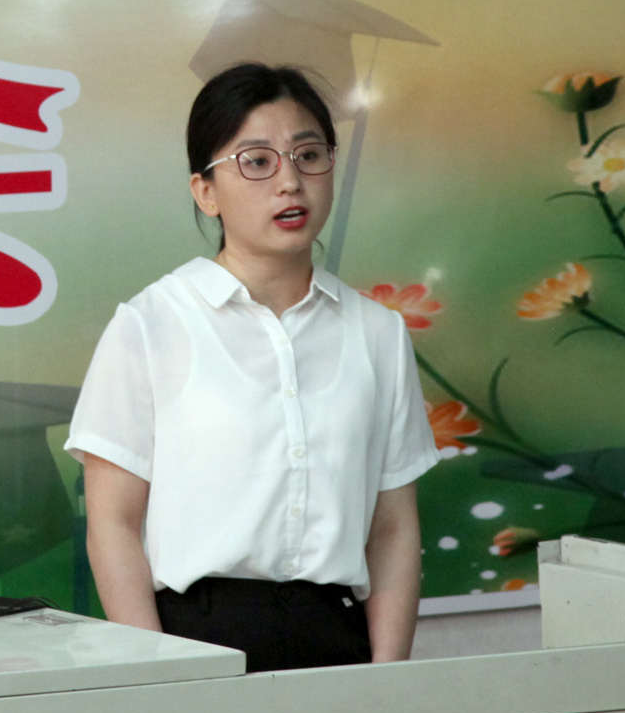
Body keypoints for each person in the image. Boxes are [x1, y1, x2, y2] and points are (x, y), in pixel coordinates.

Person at [65, 62, 439, 672]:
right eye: (257, 161)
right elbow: (113, 524)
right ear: (205, 192)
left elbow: (393, 529)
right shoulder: (151, 324)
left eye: (308, 156)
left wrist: (385, 676)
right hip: (195, 642)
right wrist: (158, 675)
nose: (290, 182)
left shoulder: (377, 332)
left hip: (337, 638)